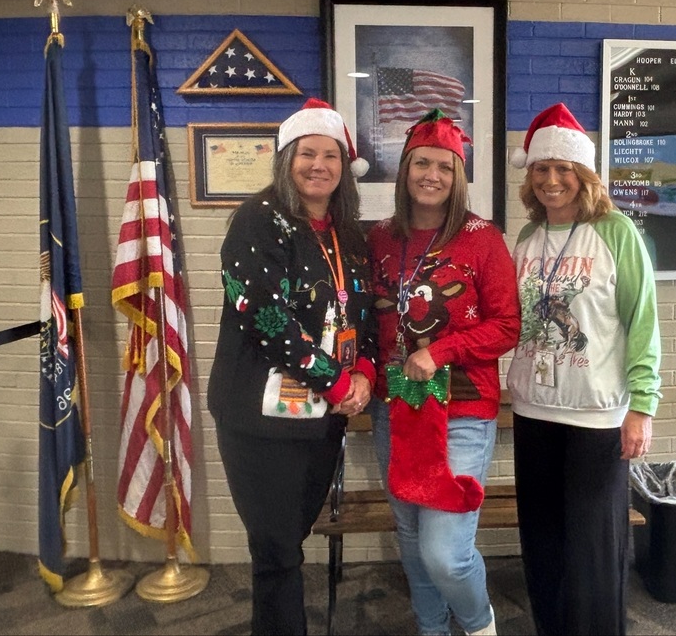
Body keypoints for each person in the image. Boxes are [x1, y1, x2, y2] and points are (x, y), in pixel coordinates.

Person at [207, 98, 377, 635]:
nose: (318, 165)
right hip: (260, 421)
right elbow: (264, 317)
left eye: (330, 155)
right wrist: (340, 380)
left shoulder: (348, 233)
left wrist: (366, 372)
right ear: (286, 159)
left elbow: (366, 313)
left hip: (321, 418)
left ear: (343, 167)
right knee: (277, 550)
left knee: (292, 537)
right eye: (307, 153)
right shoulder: (257, 219)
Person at [506, 102, 662, 636]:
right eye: (541, 169)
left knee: (594, 550)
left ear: (584, 174)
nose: (552, 181)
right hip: (533, 408)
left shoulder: (616, 232)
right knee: (543, 540)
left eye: (563, 169)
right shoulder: (527, 240)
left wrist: (642, 406)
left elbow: (643, 321)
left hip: (596, 415)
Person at [367, 109, 521, 636]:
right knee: (411, 538)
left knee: (445, 553)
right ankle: (432, 628)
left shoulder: (483, 238)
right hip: (400, 406)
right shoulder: (380, 238)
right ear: (405, 170)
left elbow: (507, 327)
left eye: (445, 166)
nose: (432, 175)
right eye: (421, 163)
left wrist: (444, 350)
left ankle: (479, 626)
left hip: (462, 407)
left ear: (458, 176)